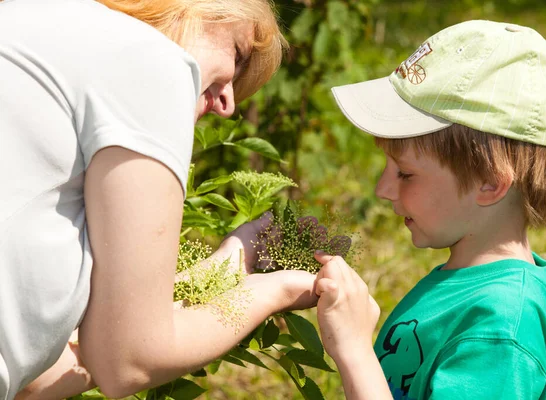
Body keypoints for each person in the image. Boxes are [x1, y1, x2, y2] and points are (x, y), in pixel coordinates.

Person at [0, 1, 320, 399]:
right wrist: (276, 291)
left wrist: (230, 266)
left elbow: (33, 371)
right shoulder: (149, 58)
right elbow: (129, 361)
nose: (228, 104)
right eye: (236, 55)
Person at [314, 20, 546, 399]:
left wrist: (354, 350)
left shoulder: (500, 330)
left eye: (404, 173)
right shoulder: (467, 284)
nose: (382, 190)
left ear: (489, 182)